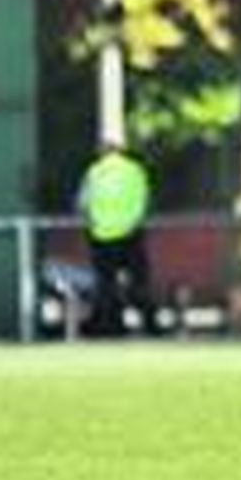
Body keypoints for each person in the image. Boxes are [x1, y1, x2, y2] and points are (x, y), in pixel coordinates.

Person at [77, 141, 160, 336]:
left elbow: (83, 202)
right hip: (132, 232)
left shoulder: (95, 171)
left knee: (107, 285)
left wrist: (90, 223)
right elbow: (146, 198)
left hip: (102, 234)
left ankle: (112, 326)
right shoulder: (135, 170)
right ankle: (151, 325)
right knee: (139, 282)